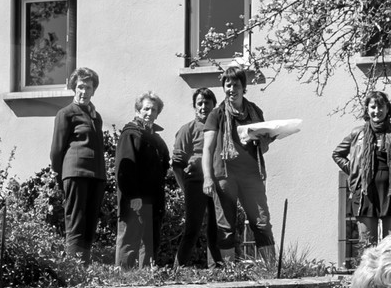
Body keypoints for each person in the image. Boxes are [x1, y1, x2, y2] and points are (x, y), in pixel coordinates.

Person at [333, 91, 391, 249]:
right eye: (373, 107)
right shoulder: (357, 133)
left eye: (381, 107)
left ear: (388, 109)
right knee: (368, 244)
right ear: (367, 109)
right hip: (365, 192)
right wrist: (354, 172)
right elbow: (337, 154)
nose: (377, 111)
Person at [204, 67, 277, 265]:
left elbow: (263, 146)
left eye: (236, 85)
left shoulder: (255, 111)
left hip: (252, 175)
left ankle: (271, 269)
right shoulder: (216, 114)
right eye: (228, 85)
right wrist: (208, 178)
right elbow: (208, 149)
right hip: (225, 175)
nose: (231, 89)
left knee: (262, 222)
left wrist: (264, 140)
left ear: (243, 87)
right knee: (226, 227)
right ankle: (229, 272)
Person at [49, 67, 105, 262]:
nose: (84, 91)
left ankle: (84, 268)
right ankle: (73, 269)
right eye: (80, 86)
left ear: (93, 90)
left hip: (96, 176)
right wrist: (60, 176)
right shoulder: (66, 113)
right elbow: (57, 150)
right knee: (76, 223)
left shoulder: (96, 117)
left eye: (88, 87)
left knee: (89, 225)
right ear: (74, 88)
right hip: (75, 174)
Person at [114, 91, 171, 269]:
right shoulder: (130, 134)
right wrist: (133, 196)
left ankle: (146, 277)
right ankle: (123, 279)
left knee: (148, 243)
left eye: (153, 110)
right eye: (146, 109)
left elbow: (164, 165)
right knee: (129, 241)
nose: (149, 113)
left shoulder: (156, 139)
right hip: (135, 200)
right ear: (138, 110)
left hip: (153, 200)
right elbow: (124, 170)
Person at [170, 87, 218, 266]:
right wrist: (185, 188)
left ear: (213, 105)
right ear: (195, 106)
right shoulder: (187, 129)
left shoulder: (220, 129)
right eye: (200, 103)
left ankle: (218, 269)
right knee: (192, 229)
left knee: (217, 228)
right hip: (196, 183)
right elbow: (177, 164)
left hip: (217, 183)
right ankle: (177, 270)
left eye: (207, 103)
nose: (203, 107)